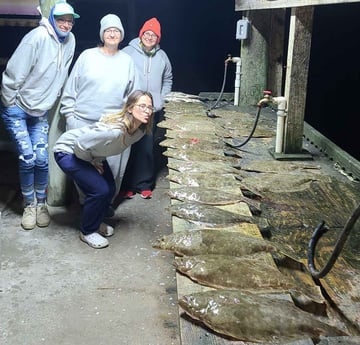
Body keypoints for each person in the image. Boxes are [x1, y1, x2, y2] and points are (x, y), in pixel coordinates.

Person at [0, 2, 79, 230]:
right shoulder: (37, 37)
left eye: (70, 20)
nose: (66, 24)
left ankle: (42, 204)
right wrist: (10, 101)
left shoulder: (70, 41)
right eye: (62, 19)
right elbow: (14, 71)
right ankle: (29, 205)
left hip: (40, 110)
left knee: (42, 159)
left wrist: (51, 99)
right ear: (53, 19)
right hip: (17, 108)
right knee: (27, 157)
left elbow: (62, 72)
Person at [53, 90, 154, 249]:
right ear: (129, 108)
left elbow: (101, 147)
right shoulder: (114, 130)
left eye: (150, 107)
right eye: (142, 106)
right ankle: (87, 231)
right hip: (67, 151)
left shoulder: (139, 131)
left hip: (91, 154)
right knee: (99, 190)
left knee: (110, 188)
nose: (147, 111)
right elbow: (80, 144)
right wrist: (92, 163)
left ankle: (95, 221)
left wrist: (96, 160)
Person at [60, 14, 136, 213]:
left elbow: (132, 96)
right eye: (108, 30)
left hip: (113, 127)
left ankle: (107, 204)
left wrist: (126, 123)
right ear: (102, 34)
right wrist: (70, 117)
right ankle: (88, 205)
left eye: (116, 31)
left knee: (113, 170)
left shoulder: (127, 61)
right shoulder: (87, 56)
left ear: (122, 35)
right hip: (83, 123)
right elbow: (71, 89)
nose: (112, 34)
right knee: (86, 170)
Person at [121, 17, 173, 199]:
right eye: (147, 34)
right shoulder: (128, 52)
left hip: (152, 110)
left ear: (158, 38)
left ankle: (144, 184)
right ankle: (126, 185)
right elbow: (120, 75)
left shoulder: (162, 56)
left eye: (154, 35)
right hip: (132, 109)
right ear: (141, 35)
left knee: (146, 147)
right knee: (128, 146)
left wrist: (161, 99)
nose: (150, 37)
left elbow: (168, 79)